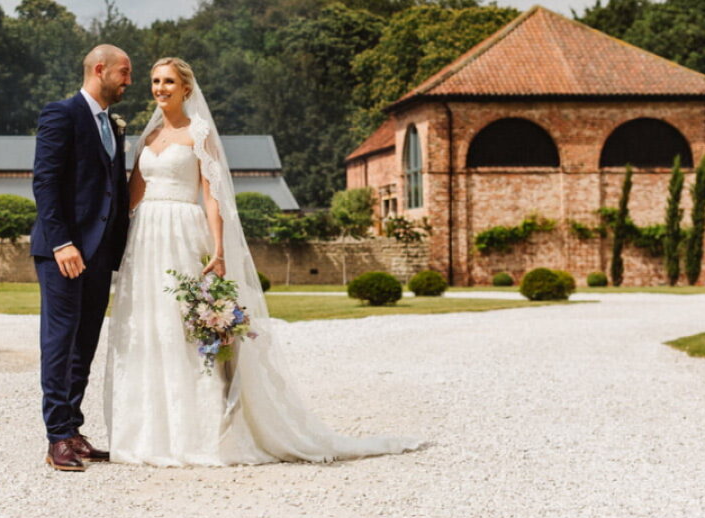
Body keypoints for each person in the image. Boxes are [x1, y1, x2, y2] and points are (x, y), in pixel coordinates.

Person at [102, 57, 427, 466]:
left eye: (168, 81)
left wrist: (218, 249)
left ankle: (201, 432)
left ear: (186, 88)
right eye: (154, 81)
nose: (160, 88)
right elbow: (134, 193)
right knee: (150, 326)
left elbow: (213, 196)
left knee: (184, 327)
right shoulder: (147, 137)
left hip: (184, 232)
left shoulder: (199, 133)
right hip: (147, 236)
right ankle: (149, 433)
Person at [29, 44, 132, 472]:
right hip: (65, 252)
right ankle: (57, 438)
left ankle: (73, 429)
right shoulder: (61, 113)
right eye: (124, 73)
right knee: (60, 341)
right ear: (100, 68)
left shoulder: (112, 125)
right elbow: (46, 182)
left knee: (84, 344)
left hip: (99, 252)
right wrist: (61, 243)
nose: (129, 82)